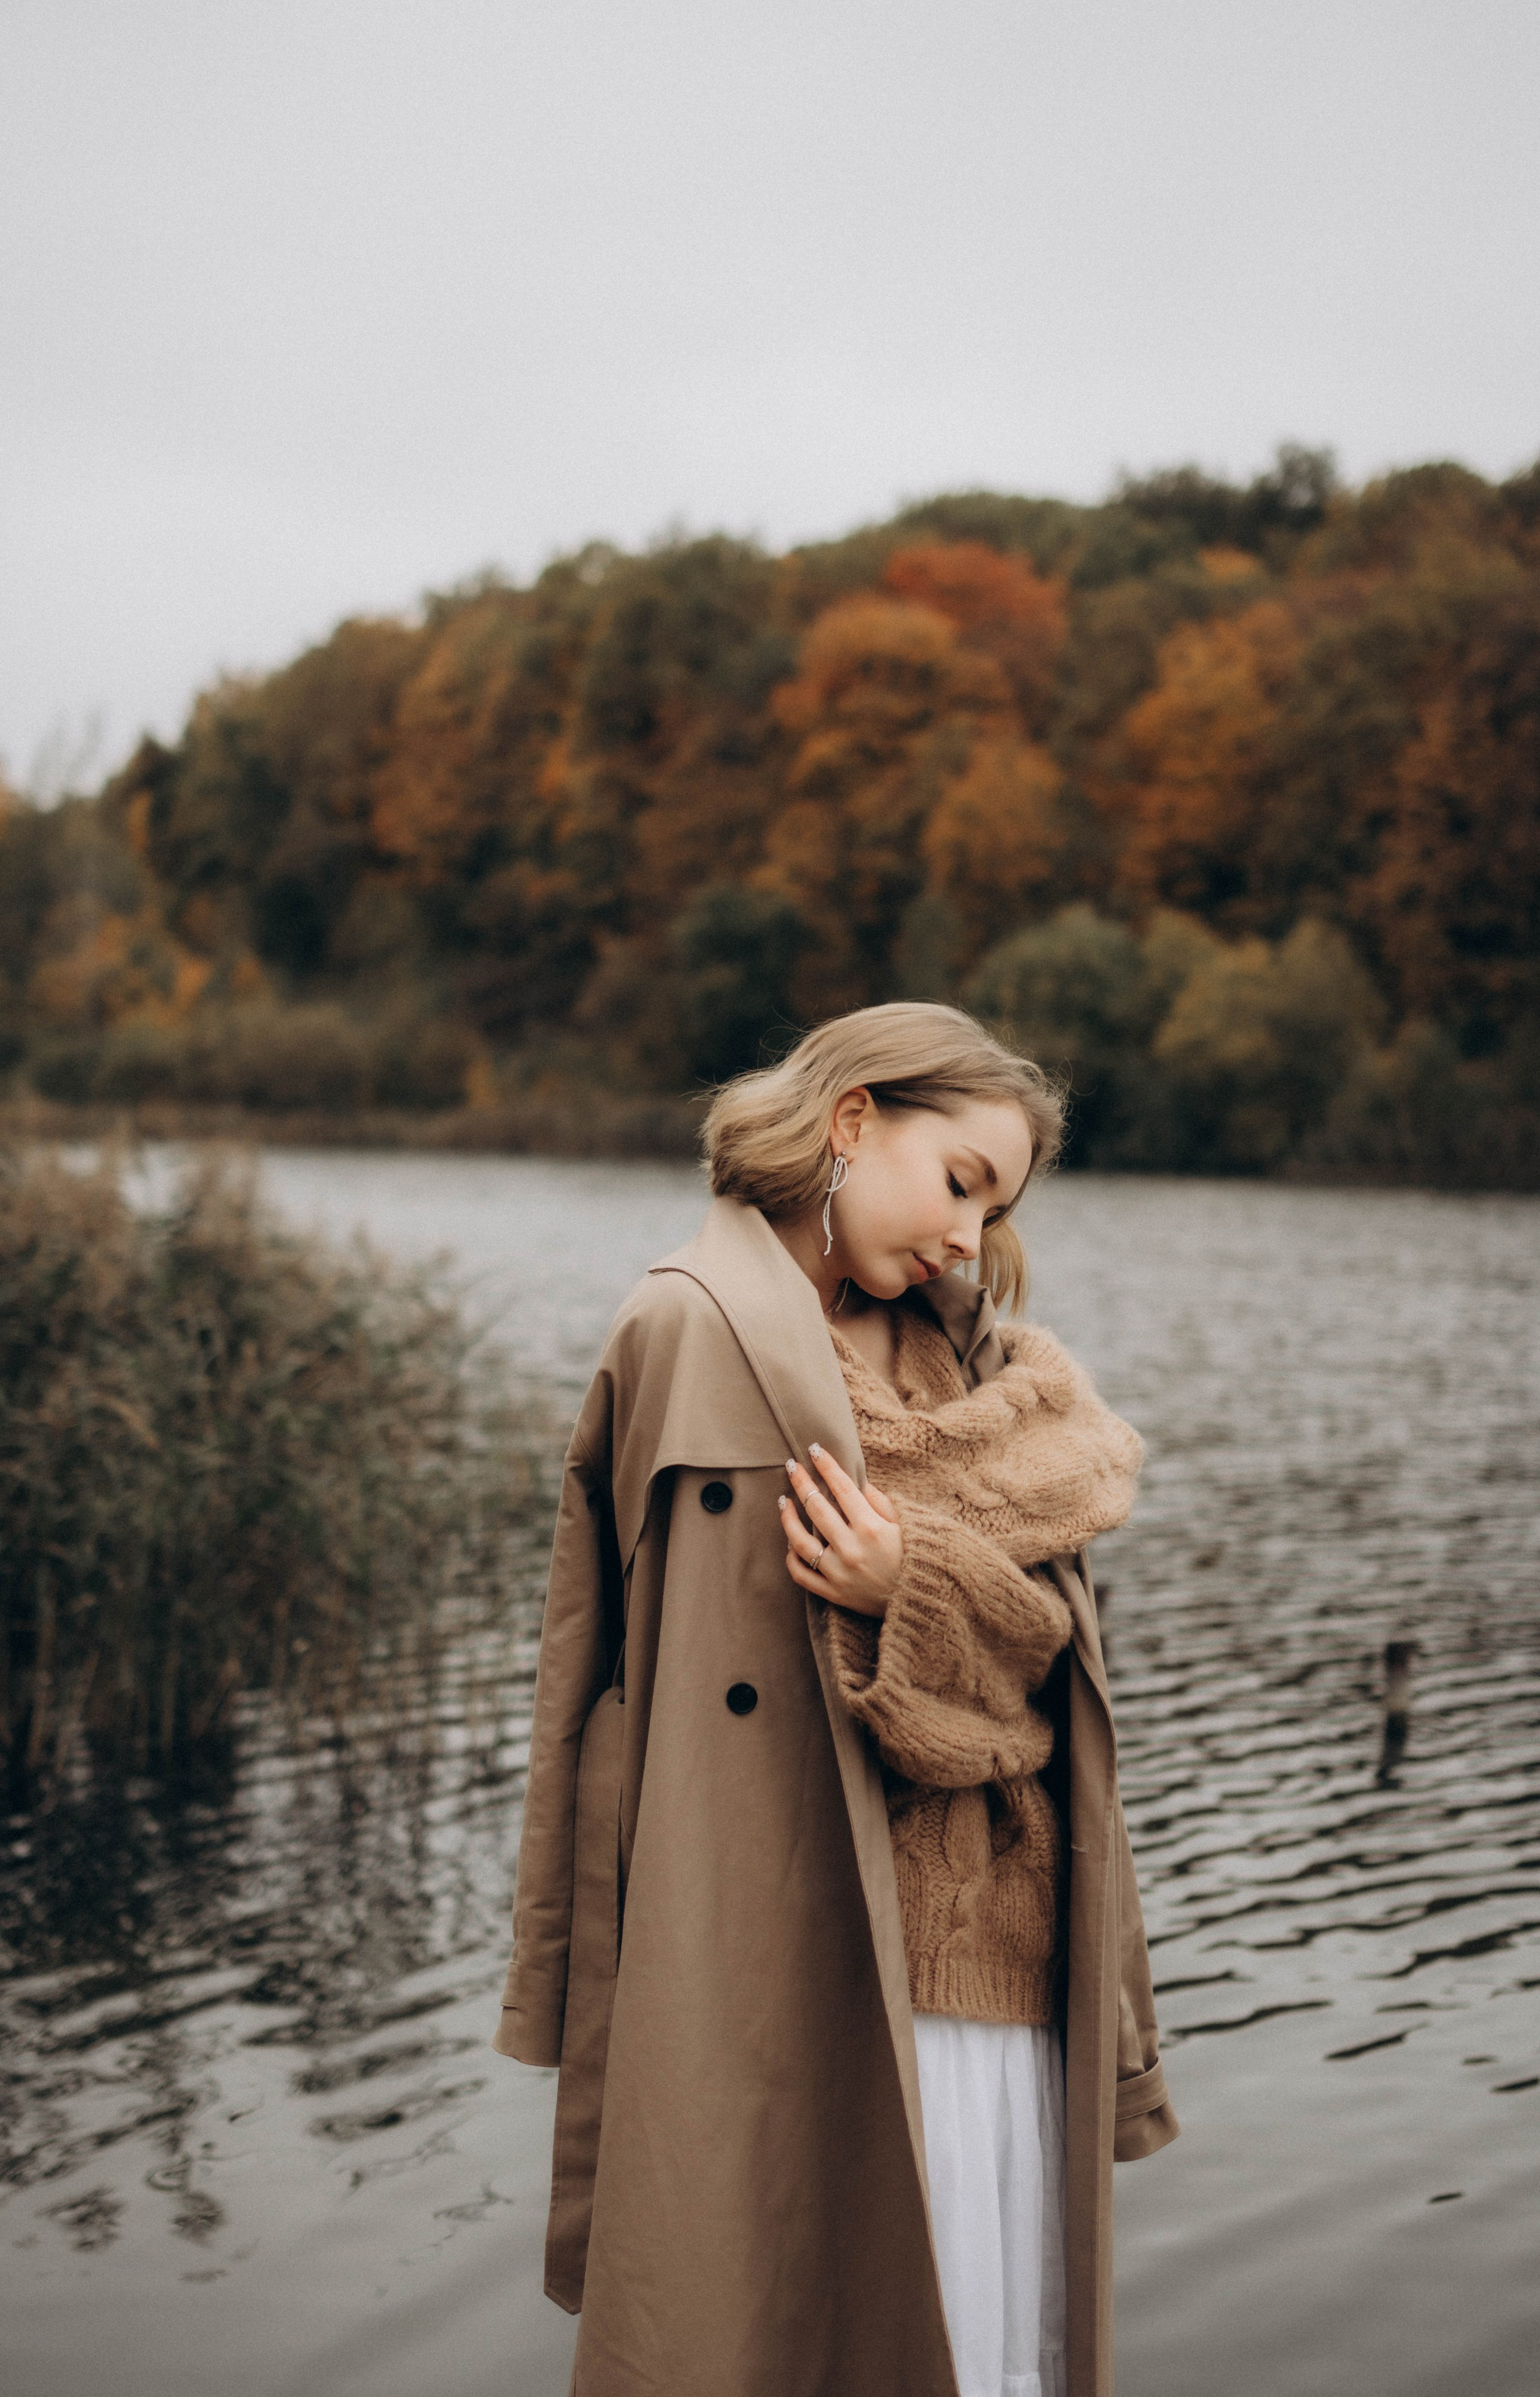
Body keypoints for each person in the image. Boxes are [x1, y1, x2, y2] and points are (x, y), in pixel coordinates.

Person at [495, 1003, 1178, 2397]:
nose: (968, 1237)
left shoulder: (969, 1366)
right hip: (785, 1950)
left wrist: (905, 1580)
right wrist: (568, 1958)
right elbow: (602, 1682)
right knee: (784, 2319)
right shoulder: (686, 1330)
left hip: (987, 1959)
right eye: (961, 1182)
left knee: (973, 2342)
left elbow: (1055, 1671)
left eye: (993, 1210)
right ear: (853, 1120)